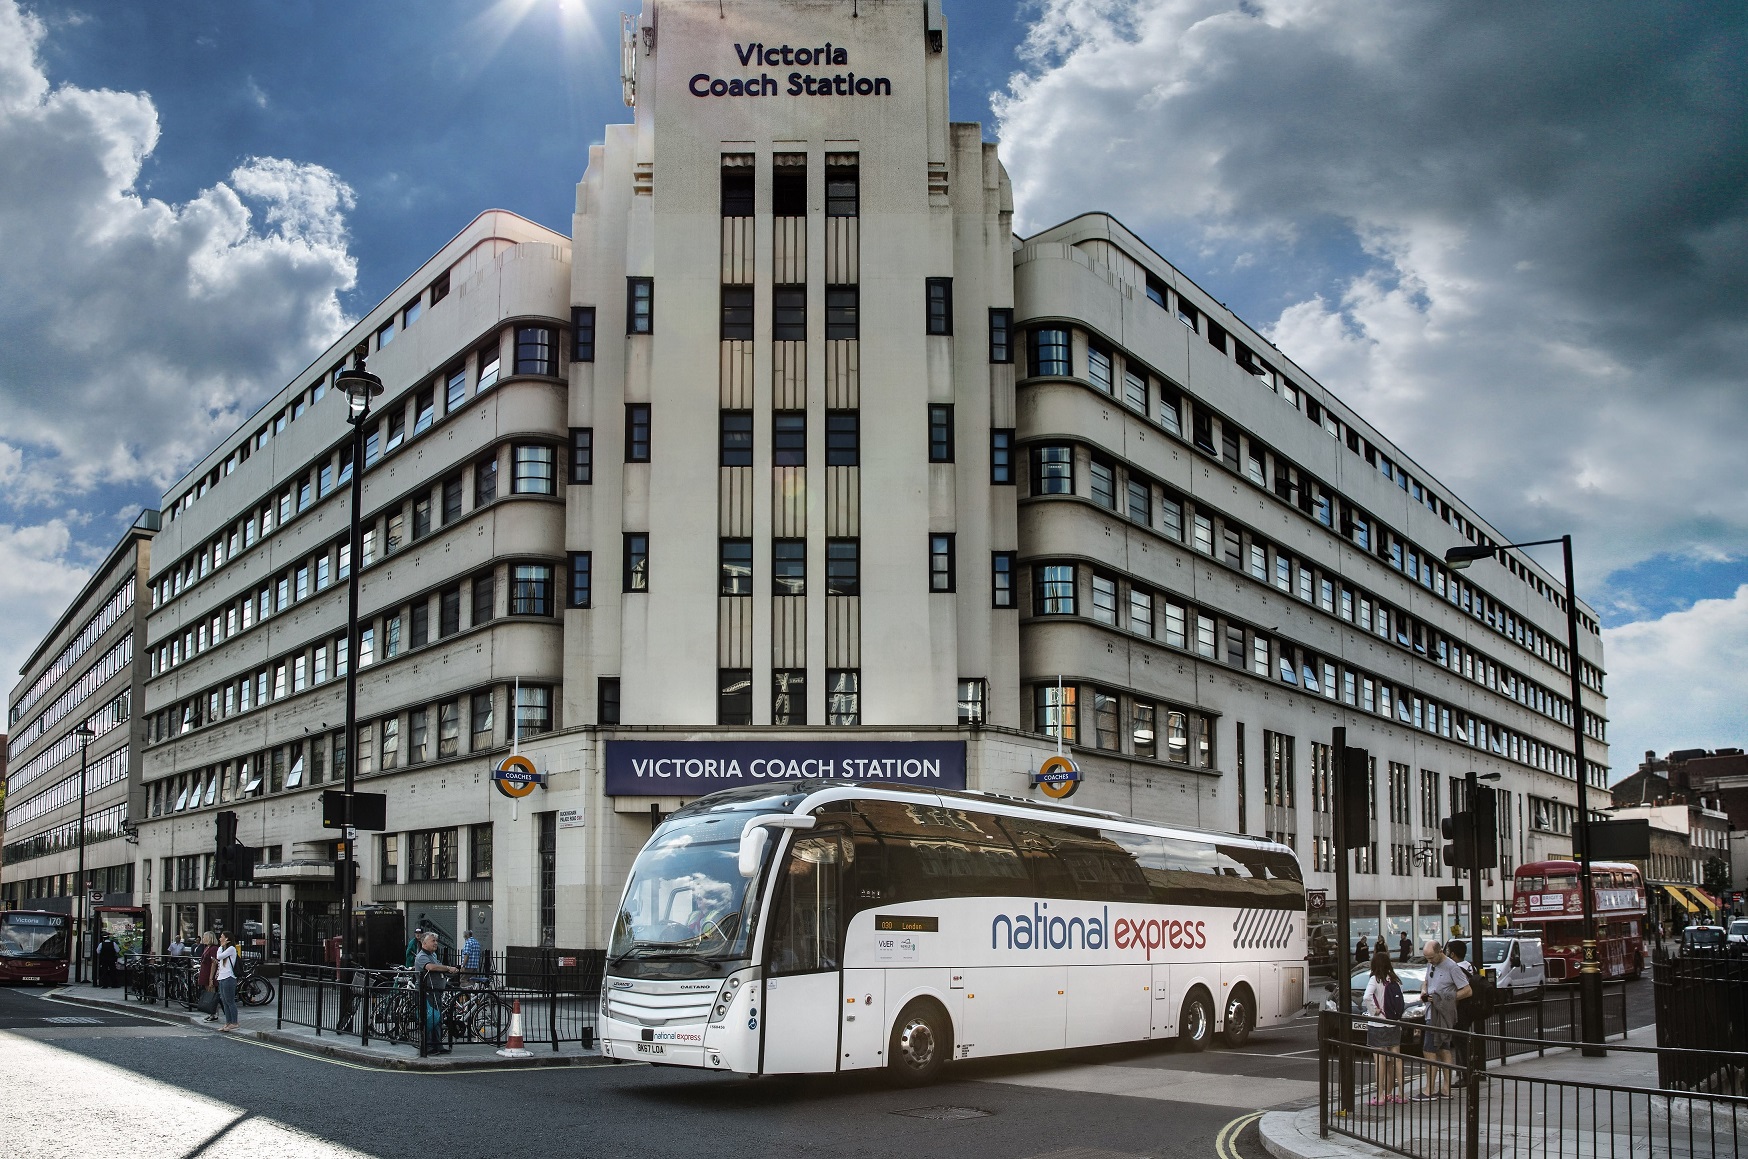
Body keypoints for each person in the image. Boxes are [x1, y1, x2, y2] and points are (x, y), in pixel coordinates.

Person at [1417, 940, 1472, 1099]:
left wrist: (1445, 998)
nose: (1429, 962)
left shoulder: (1453, 967)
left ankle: (1429, 1090)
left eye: (1431, 958)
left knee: (1429, 1050)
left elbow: (1467, 991)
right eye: (1426, 959)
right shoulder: (1431, 964)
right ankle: (1446, 1089)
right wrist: (1424, 991)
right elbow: (1427, 981)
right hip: (1431, 1011)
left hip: (1441, 1014)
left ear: (1440, 951)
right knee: (1444, 1049)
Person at [1362, 949, 1407, 1105]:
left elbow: (1367, 996)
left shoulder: (1375, 979)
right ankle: (1401, 1094)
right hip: (1394, 1023)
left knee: (1380, 1061)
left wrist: (1375, 1010)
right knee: (1397, 1059)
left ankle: (1380, 1096)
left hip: (1378, 1024)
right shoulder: (1395, 980)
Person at [414, 932, 462, 1054]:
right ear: (424, 943)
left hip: (436, 992)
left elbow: (437, 969)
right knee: (430, 1019)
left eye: (436, 941)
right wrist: (448, 968)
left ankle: (438, 1045)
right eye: (433, 941)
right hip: (427, 992)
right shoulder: (421, 956)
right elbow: (431, 967)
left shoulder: (433, 955)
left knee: (437, 1019)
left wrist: (449, 973)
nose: (436, 943)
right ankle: (428, 1047)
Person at [1448, 939, 1479, 1082]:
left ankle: (1465, 1075)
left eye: (1448, 951)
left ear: (1452, 953)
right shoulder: (1470, 966)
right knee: (1464, 1041)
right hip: (1471, 1008)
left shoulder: (1455, 968)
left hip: (1460, 1009)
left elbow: (1459, 990)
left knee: (1460, 1042)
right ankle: (1468, 1072)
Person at [215, 931, 241, 1031]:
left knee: (230, 1001)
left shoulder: (231, 949)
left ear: (226, 939)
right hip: (222, 977)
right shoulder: (224, 949)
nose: (220, 938)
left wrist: (221, 947)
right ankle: (228, 1022)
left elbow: (219, 956)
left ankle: (234, 1022)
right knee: (224, 1001)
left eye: (221, 937)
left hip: (229, 977)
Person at [196, 932, 219, 1021]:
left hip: (210, 974)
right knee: (208, 993)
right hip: (204, 973)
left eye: (204, 937)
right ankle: (211, 1013)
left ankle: (214, 1014)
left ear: (209, 938)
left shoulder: (214, 949)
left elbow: (214, 964)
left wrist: (211, 978)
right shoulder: (206, 948)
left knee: (212, 994)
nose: (203, 939)